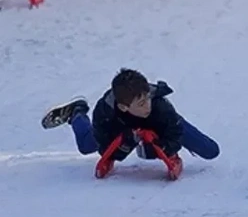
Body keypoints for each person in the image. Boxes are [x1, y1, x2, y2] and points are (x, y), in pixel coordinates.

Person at [42, 68, 221, 165]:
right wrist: (125, 144)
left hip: (159, 122)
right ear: (123, 107)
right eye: (141, 104)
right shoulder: (105, 113)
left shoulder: (158, 105)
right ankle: (76, 113)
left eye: (147, 99)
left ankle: (165, 129)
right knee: (85, 146)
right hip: (119, 126)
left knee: (210, 150)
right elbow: (105, 151)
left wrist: (161, 148)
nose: (147, 105)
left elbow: (174, 135)